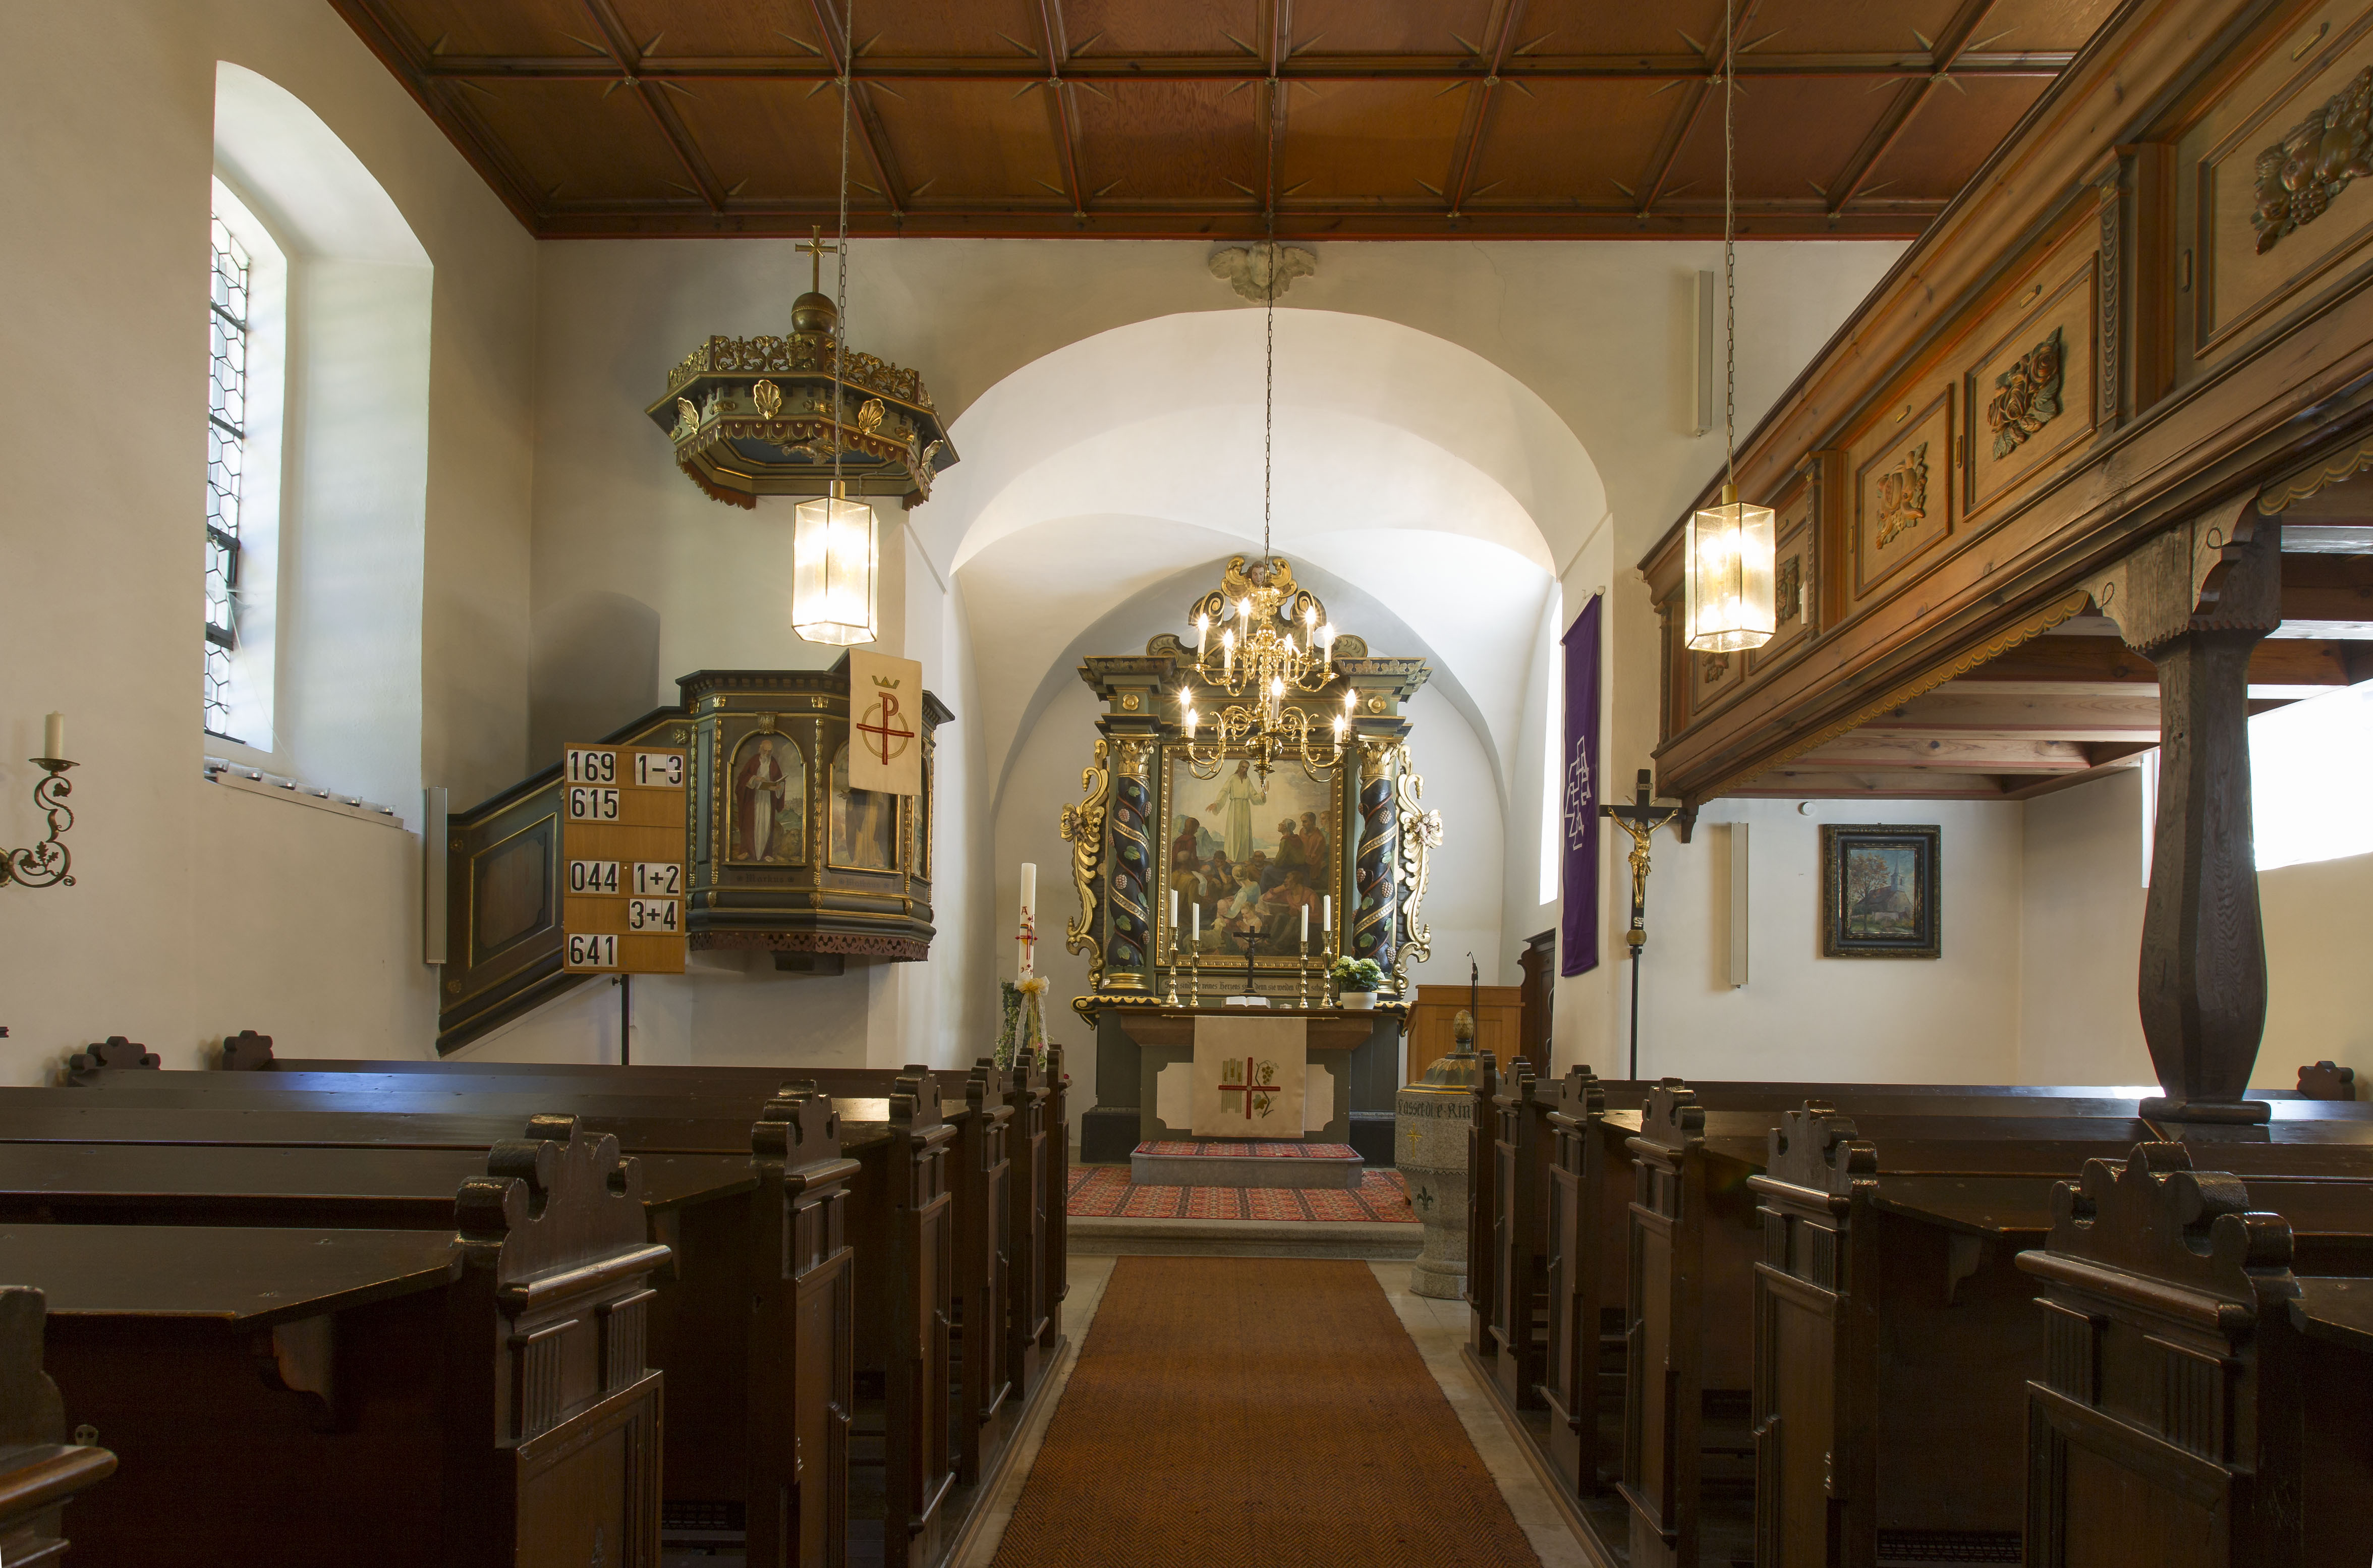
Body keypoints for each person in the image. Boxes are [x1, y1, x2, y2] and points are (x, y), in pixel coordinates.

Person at [738, 735, 796, 862]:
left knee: (766, 824)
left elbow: (779, 781)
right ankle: (747, 850)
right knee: (750, 824)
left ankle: (766, 853)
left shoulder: (773, 762)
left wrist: (778, 788)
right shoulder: (753, 761)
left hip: (768, 799)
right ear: (760, 749)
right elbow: (742, 778)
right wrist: (755, 779)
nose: (767, 753)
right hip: (753, 798)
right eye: (765, 751)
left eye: (770, 752)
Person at [1205, 759, 1266, 865]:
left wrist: (1263, 794)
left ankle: (1244, 857)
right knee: (1234, 832)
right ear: (1239, 767)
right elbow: (1224, 791)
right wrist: (1217, 803)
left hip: (1245, 808)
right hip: (1234, 808)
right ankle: (1232, 857)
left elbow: (1254, 795)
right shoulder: (1232, 779)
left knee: (1245, 833)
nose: (1244, 770)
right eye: (1243, 767)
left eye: (1247, 768)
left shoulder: (1248, 780)